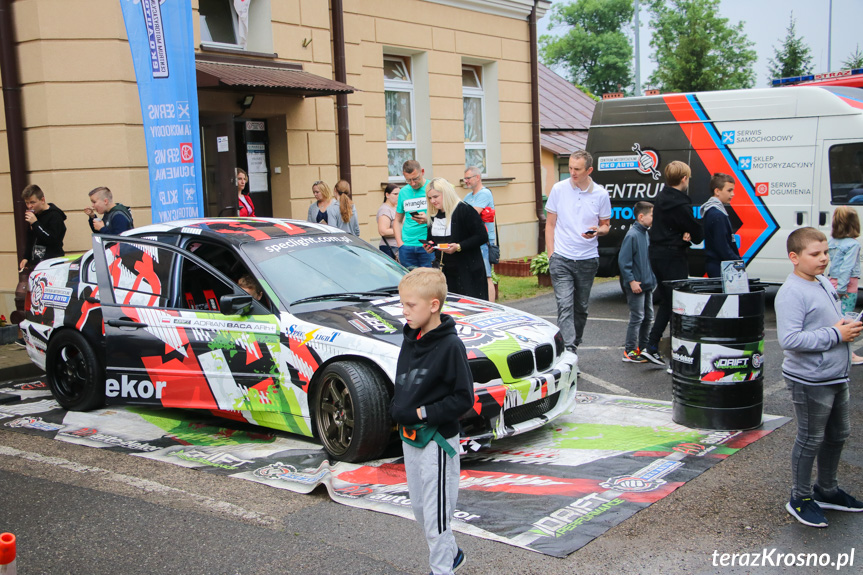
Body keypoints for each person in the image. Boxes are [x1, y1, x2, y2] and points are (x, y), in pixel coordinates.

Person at [776, 227, 863, 528]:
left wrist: (845, 324)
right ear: (794, 258)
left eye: (825, 252)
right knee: (811, 439)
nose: (824, 259)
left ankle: (827, 490)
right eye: (815, 254)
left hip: (835, 375)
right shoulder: (791, 292)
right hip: (810, 380)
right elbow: (790, 340)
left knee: (838, 435)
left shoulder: (822, 281)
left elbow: (827, 322)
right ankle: (799, 497)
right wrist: (836, 334)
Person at [391, 267, 473, 575]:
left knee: (437, 517)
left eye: (411, 305)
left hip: (437, 441)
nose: (405, 311)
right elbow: (405, 381)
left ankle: (442, 569)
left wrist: (422, 414)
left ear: (434, 305)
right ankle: (451, 555)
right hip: (410, 438)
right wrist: (397, 407)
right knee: (422, 512)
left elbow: (464, 399)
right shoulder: (411, 339)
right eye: (403, 304)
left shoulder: (451, 346)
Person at [545, 150, 611, 354]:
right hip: (562, 258)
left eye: (577, 169)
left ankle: (575, 342)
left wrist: (598, 231)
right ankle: (568, 351)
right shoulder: (559, 189)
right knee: (565, 306)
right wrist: (551, 256)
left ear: (589, 170)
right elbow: (550, 224)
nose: (572, 173)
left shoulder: (600, 194)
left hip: (587, 259)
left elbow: (606, 225)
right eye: (570, 168)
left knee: (581, 308)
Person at [640, 161, 703, 366]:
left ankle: (651, 346)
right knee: (679, 304)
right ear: (684, 178)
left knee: (668, 302)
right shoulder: (681, 205)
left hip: (656, 254)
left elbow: (671, 227)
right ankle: (680, 353)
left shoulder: (660, 198)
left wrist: (683, 233)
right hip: (673, 256)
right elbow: (698, 234)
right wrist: (686, 235)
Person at [424, 178, 489, 300]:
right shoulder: (433, 215)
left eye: (435, 197)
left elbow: (482, 236)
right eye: (429, 198)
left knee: (469, 308)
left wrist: (459, 246)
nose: (432, 201)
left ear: (446, 193)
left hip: (467, 271)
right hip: (445, 271)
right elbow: (432, 239)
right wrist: (430, 246)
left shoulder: (464, 210)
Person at [618, 201, 656, 363]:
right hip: (637, 285)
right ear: (641, 217)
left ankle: (643, 348)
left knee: (648, 317)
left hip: (647, 284)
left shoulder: (645, 233)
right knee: (637, 317)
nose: (654, 218)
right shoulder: (632, 235)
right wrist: (632, 281)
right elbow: (623, 261)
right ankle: (630, 350)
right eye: (652, 215)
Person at [827, 206, 863, 365]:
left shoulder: (832, 242)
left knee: (834, 317)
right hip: (847, 286)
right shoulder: (853, 245)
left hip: (832, 282)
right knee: (846, 320)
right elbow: (846, 268)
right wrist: (842, 289)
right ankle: (848, 354)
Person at [462, 166, 497, 301]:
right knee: (475, 275)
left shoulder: (484, 193)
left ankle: (491, 306)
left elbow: (472, 215)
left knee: (486, 275)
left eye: (468, 178)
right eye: (465, 178)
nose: (466, 181)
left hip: (484, 242)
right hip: (472, 240)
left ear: (477, 177)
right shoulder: (468, 196)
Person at [394, 160, 434, 269]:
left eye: (415, 178)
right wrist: (400, 243)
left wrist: (428, 219)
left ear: (422, 172)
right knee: (410, 283)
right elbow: (397, 220)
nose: (413, 183)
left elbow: (444, 216)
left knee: (430, 282)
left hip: (428, 245)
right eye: (408, 180)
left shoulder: (432, 188)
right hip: (406, 246)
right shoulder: (403, 192)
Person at [19, 184, 66, 273]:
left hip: (51, 263)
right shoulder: (35, 215)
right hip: (36, 264)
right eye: (27, 203)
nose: (29, 206)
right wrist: (26, 257)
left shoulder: (55, 216)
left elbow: (52, 239)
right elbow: (30, 238)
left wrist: (36, 224)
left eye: (32, 202)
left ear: (42, 200)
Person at [701, 173, 740, 278]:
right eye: (729, 190)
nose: (733, 194)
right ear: (717, 191)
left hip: (717, 265)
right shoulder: (717, 214)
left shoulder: (713, 210)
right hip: (720, 267)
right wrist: (737, 261)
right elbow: (722, 245)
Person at [377, 183, 400, 261]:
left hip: (398, 246)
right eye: (395, 194)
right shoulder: (385, 209)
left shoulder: (396, 207)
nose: (398, 196)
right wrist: (402, 230)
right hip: (390, 248)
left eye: (399, 194)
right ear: (387, 195)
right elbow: (383, 231)